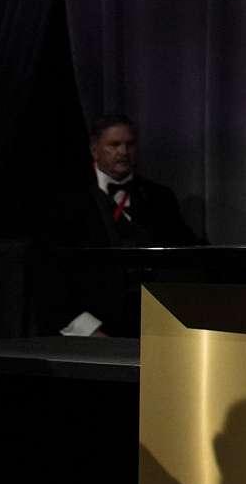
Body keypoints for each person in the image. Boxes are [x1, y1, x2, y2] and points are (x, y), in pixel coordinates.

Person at [46, 114, 199, 336]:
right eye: (114, 145)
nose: (123, 152)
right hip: (92, 330)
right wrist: (88, 330)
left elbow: (185, 255)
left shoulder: (159, 197)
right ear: (94, 149)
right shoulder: (67, 202)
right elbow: (53, 273)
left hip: (155, 326)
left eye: (130, 144)